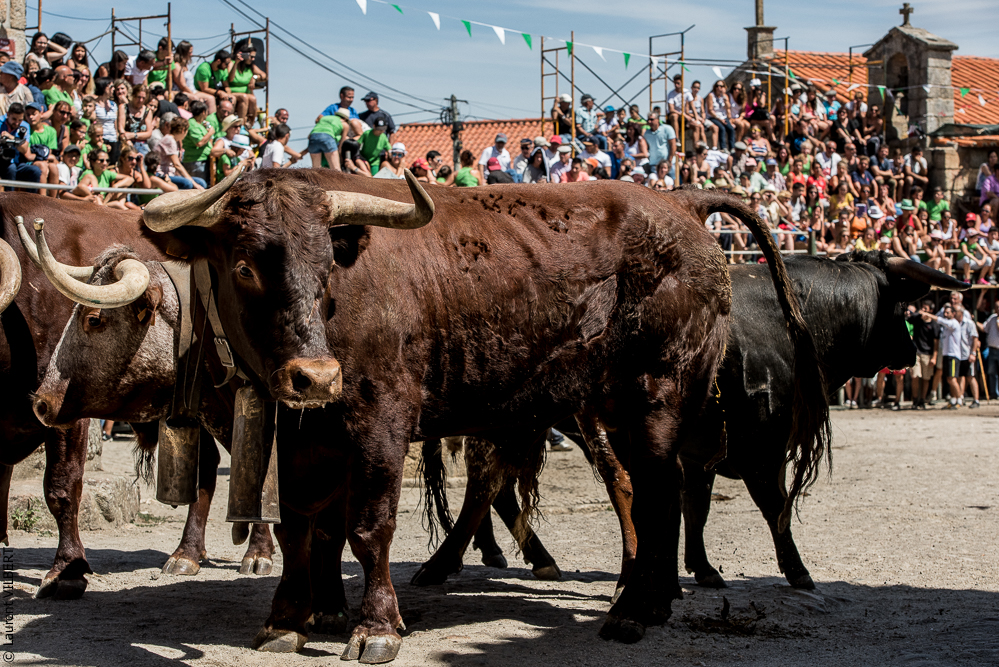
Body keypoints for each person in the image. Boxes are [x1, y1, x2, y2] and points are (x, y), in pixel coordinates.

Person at [155, 116, 205, 190]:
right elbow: (177, 164)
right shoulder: (169, 140)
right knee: (188, 184)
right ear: (183, 130)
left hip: (170, 174)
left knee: (201, 182)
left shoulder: (173, 140)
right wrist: (194, 184)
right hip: (162, 174)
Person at [0, 102, 41, 187]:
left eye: (20, 120)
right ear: (8, 114)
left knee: (35, 171)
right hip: (2, 161)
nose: (17, 123)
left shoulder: (24, 126)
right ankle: (9, 195)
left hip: (17, 162)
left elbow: (24, 149)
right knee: (11, 169)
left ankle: (31, 196)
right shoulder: (0, 122)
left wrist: (11, 138)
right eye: (14, 119)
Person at [228, 45, 258, 124]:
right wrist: (236, 63)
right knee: (244, 97)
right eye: (251, 57)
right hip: (232, 92)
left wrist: (254, 77)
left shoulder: (251, 67)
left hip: (246, 94)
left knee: (253, 99)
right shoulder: (232, 63)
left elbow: (264, 75)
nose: (253, 59)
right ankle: (241, 123)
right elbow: (230, 79)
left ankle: (250, 124)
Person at [307, 106, 343, 171]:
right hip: (328, 137)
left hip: (313, 137)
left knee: (316, 170)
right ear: (345, 119)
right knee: (336, 169)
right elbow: (342, 141)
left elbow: (309, 137)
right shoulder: (343, 122)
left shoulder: (324, 118)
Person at [978, 300, 999, 400]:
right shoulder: (992, 318)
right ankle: (994, 393)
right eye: (996, 307)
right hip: (992, 349)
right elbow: (984, 328)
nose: (998, 309)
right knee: (991, 372)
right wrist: (973, 320)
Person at [643, 113, 675, 180]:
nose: (649, 122)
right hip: (654, 164)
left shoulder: (667, 129)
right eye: (648, 120)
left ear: (657, 119)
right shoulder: (646, 133)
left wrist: (669, 161)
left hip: (668, 164)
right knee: (656, 185)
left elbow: (673, 145)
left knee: (672, 184)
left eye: (651, 119)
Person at [706, 80, 734, 151]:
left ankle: (732, 148)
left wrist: (724, 97)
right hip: (713, 117)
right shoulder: (711, 95)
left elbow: (728, 107)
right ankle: (723, 148)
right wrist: (719, 119)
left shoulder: (725, 96)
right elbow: (710, 110)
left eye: (721, 86)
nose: (719, 88)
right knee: (722, 128)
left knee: (731, 129)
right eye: (717, 86)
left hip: (723, 117)